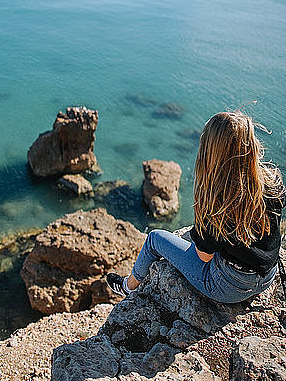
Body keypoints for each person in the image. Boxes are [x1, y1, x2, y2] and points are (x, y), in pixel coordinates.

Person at [106, 110, 285, 304]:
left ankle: (127, 286)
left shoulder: (216, 200)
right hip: (267, 275)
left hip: (230, 288)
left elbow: (205, 257)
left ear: (211, 150)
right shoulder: (271, 181)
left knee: (154, 239)